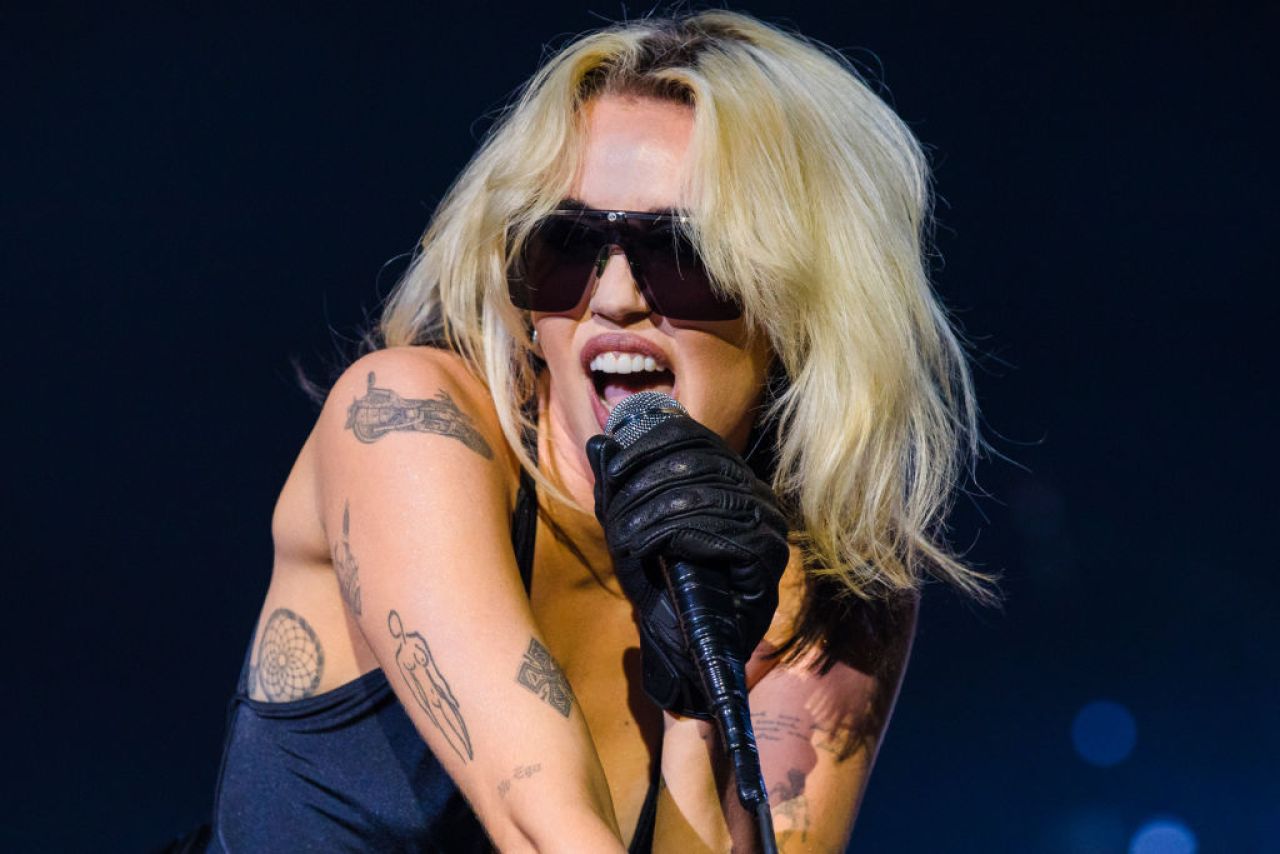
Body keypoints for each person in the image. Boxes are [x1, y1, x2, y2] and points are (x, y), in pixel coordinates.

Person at [202, 8, 993, 852]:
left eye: (683, 256)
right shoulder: (407, 424)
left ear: (800, 306)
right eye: (567, 246)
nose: (614, 299)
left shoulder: (833, 582)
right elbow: (543, 831)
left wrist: (698, 705)